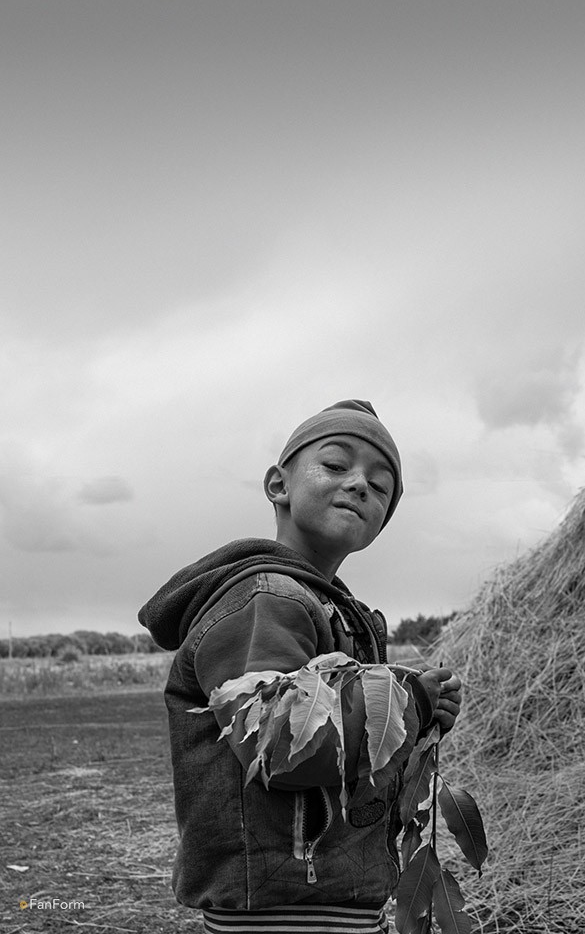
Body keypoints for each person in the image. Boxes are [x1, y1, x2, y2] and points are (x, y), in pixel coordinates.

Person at [139, 400, 461, 934]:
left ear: (381, 523)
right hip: (280, 908)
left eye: (381, 487)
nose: (360, 485)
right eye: (336, 466)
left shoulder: (328, 608)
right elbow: (283, 743)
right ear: (278, 485)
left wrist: (418, 718)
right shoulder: (264, 599)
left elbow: (357, 759)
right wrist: (409, 700)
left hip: (331, 894)